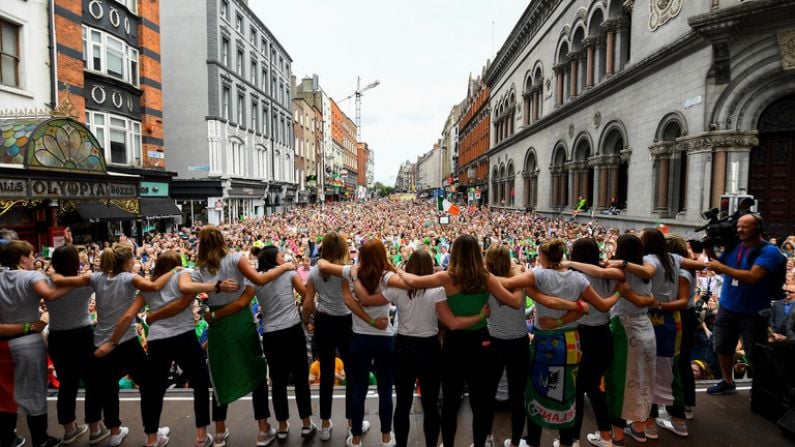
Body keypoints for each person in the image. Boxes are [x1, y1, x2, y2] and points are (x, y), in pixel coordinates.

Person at [397, 235, 567, 447]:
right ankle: (479, 443)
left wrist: (396, 269)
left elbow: (412, 281)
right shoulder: (486, 277)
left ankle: (448, 444)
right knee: (481, 402)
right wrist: (515, 274)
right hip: (481, 344)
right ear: (478, 253)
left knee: (451, 402)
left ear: (455, 252)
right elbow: (514, 302)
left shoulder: (447, 277)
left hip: (455, 343)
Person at [51, 243, 177, 447]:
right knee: (149, 385)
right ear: (128, 262)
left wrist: (53, 276)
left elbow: (64, 280)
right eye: (134, 259)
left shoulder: (96, 278)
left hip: (100, 342)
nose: (135, 262)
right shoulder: (129, 278)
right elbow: (154, 287)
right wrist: (174, 271)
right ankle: (152, 433)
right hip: (124, 341)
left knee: (108, 388)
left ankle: (114, 431)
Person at [499, 239, 619, 447]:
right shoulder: (579, 278)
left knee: (538, 388)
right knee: (569, 392)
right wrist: (562, 319)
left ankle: (534, 440)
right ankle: (566, 442)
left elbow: (507, 283)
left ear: (543, 256)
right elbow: (595, 306)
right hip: (572, 341)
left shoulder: (538, 274)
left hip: (547, 342)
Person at [186, 226, 296, 447]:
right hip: (240, 322)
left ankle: (219, 433)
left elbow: (185, 286)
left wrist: (213, 290)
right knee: (256, 371)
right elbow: (259, 280)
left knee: (220, 376)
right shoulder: (235, 258)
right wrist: (285, 266)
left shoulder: (199, 269)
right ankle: (263, 430)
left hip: (218, 325)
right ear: (222, 240)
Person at [121, 250, 239, 447]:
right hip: (183, 336)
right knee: (200, 384)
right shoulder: (182, 275)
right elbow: (183, 302)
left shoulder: (149, 285)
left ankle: (151, 439)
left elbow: (132, 313)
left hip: (158, 340)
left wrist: (151, 317)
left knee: (153, 390)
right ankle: (201, 437)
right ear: (177, 264)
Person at [0, 240, 72, 447]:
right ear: (22, 258)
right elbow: (48, 294)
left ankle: (7, 438)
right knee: (34, 393)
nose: (34, 259)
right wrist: (74, 284)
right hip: (28, 344)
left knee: (4, 393)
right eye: (31, 255)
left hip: (3, 345)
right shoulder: (32, 276)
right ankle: (40, 439)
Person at [705, 213, 782, 395]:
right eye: (738, 226)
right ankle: (727, 381)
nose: (739, 229)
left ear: (758, 228)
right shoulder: (735, 245)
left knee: (754, 352)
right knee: (723, 346)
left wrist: (722, 268)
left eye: (745, 226)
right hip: (727, 306)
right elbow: (719, 263)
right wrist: (709, 249)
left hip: (753, 311)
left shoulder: (769, 251)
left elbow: (754, 277)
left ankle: (760, 387)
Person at [250, 246, 317, 441]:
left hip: (271, 334)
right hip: (292, 330)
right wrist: (308, 319)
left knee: (278, 382)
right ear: (275, 259)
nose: (284, 257)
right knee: (300, 378)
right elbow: (306, 296)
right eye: (281, 255)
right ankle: (305, 423)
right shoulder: (288, 274)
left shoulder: (257, 281)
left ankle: (281, 425)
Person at [302, 232, 363, 441]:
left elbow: (308, 303)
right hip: (347, 322)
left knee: (326, 372)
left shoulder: (314, 272)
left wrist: (306, 320)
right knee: (352, 372)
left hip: (324, 321)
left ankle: (325, 424)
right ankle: (351, 423)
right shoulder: (348, 271)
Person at [46, 245, 102, 445]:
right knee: (92, 382)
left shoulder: (46, 281)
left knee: (67, 384)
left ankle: (69, 429)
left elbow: (50, 272)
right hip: (82, 335)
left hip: (57, 336)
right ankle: (95, 429)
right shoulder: (85, 282)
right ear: (76, 263)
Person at [482, 245, 528, 447]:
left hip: (495, 342)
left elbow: (515, 302)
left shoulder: (485, 281)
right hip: (519, 342)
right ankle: (516, 442)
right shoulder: (519, 277)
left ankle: (486, 437)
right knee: (518, 394)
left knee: (488, 392)